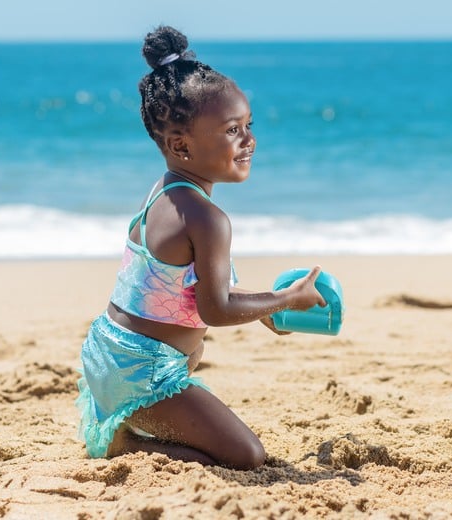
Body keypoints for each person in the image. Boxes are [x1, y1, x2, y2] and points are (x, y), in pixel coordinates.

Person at [75, 25, 326, 470]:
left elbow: (185, 293)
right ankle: (126, 445)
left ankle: (139, 416)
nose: (248, 140)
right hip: (141, 375)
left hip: (109, 353)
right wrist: (288, 298)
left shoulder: (165, 191)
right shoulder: (209, 220)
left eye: (248, 125)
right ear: (180, 145)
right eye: (232, 130)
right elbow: (216, 310)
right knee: (246, 456)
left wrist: (266, 310)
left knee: (194, 350)